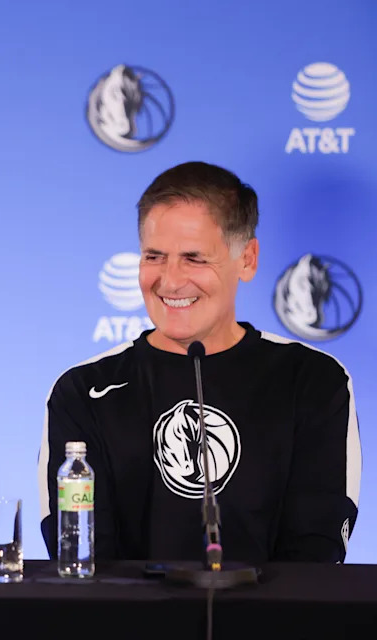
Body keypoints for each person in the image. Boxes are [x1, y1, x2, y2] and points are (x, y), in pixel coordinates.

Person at [38, 161, 360, 564]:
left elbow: (314, 557)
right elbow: (81, 559)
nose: (170, 281)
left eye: (194, 258)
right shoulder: (84, 390)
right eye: (154, 256)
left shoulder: (313, 380)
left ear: (247, 259)